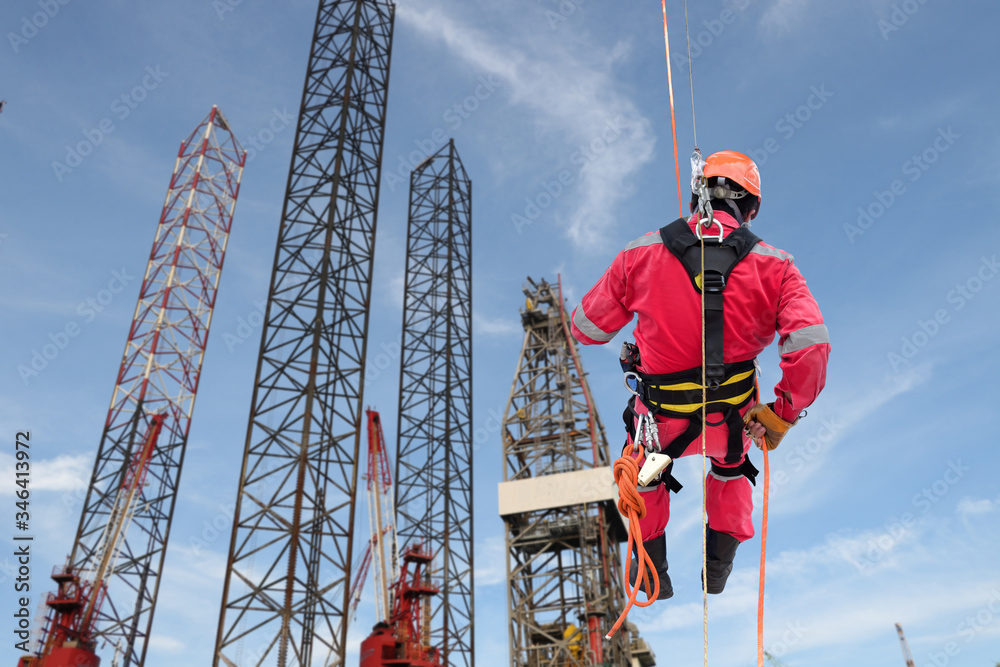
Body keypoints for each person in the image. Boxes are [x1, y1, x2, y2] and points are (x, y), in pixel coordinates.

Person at [570, 150, 829, 598]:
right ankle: (718, 567)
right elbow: (811, 346)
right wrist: (784, 412)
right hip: (732, 421)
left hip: (660, 420)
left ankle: (650, 572)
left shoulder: (639, 254)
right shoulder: (778, 265)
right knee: (732, 468)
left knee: (644, 474)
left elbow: (586, 329)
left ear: (695, 197)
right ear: (751, 209)